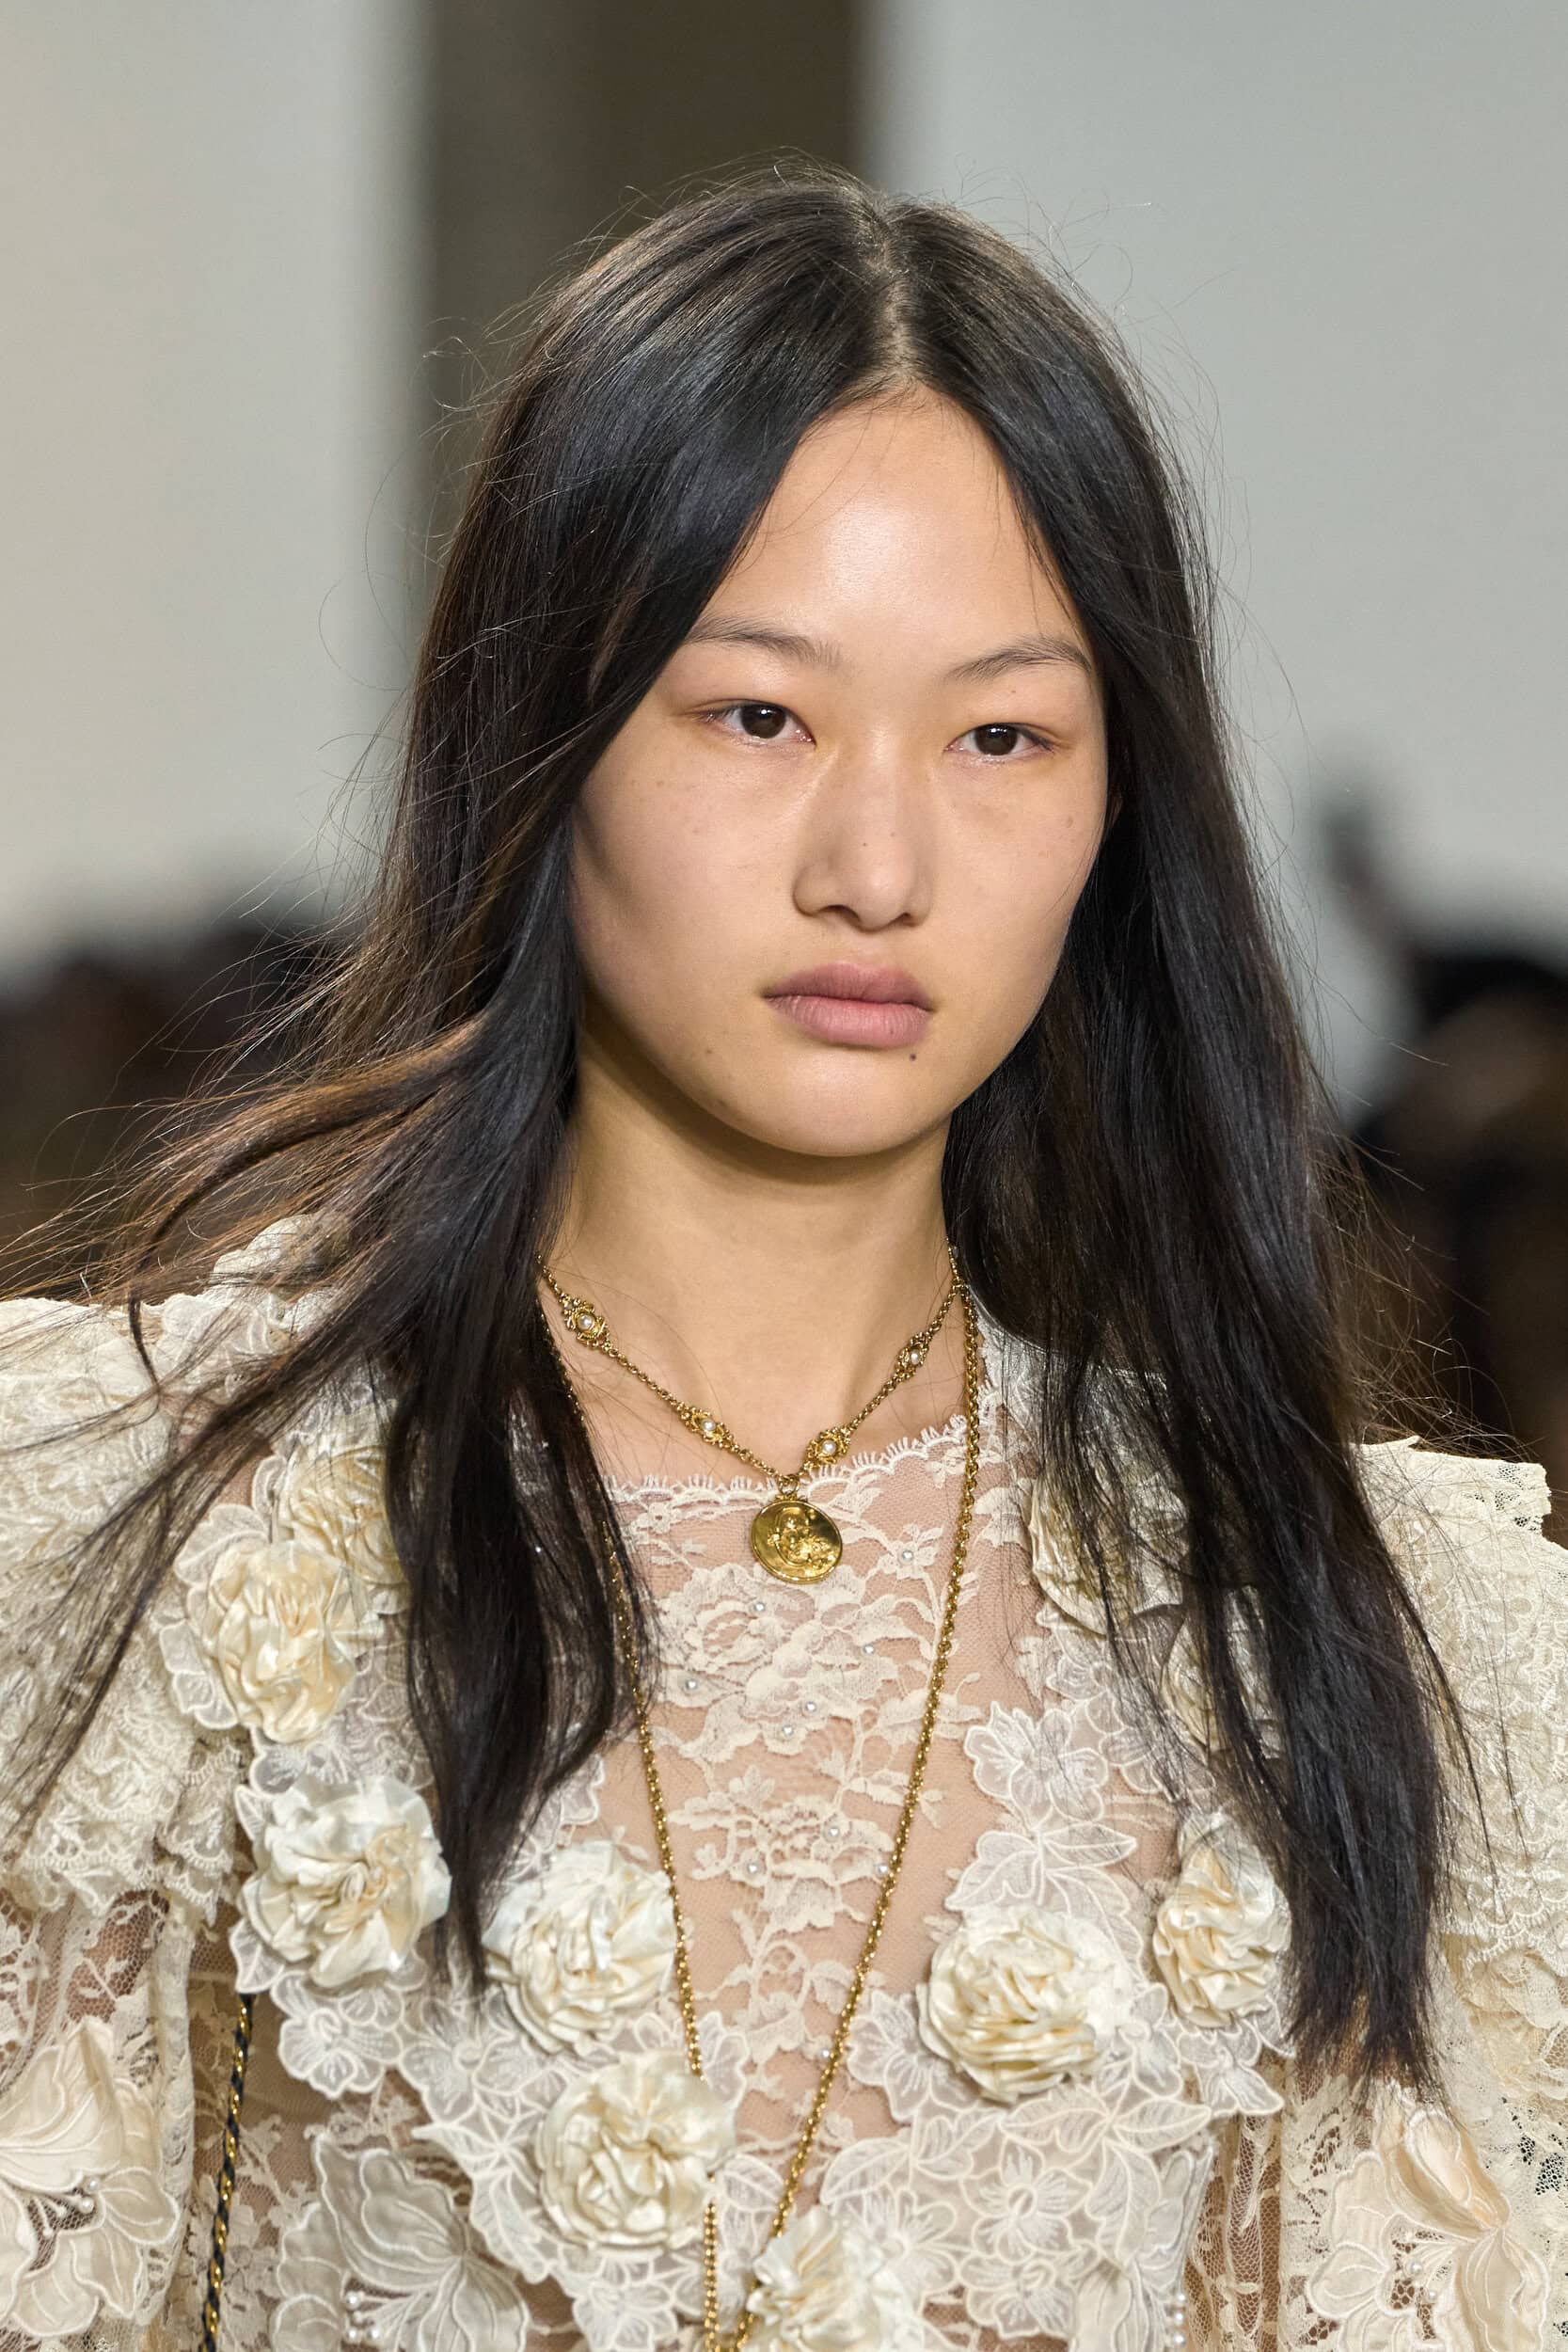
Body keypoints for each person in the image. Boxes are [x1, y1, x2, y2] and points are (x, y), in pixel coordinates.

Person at [0, 158, 1561, 2352]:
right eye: (759, 713)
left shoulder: (1362, 1630)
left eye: (1003, 734)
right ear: (541, 730)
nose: (878, 861)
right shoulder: (135, 1524)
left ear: (1120, 803)